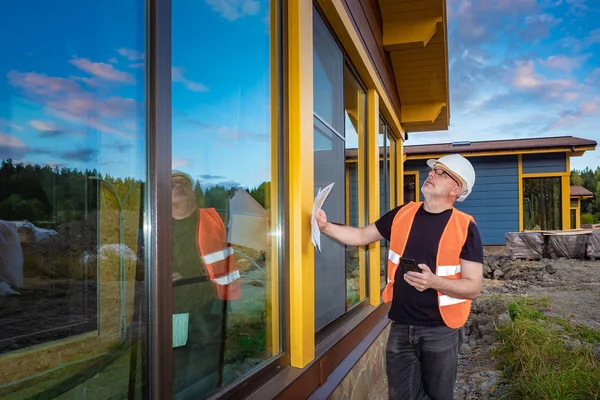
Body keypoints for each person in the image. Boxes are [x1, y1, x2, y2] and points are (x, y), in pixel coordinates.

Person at [315, 154, 484, 400]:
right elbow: (362, 236)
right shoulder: (402, 214)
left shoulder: (465, 227)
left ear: (456, 188)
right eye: (433, 170)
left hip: (441, 331)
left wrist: (434, 282)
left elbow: (473, 287)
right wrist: (325, 227)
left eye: (441, 172)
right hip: (401, 326)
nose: (431, 174)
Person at [171, 170, 241, 399]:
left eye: (183, 183)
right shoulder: (157, 227)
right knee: (175, 358)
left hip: (207, 305)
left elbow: (227, 255)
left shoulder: (212, 220)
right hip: (175, 307)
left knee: (206, 365)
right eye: (172, 184)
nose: (178, 186)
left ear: (192, 192)